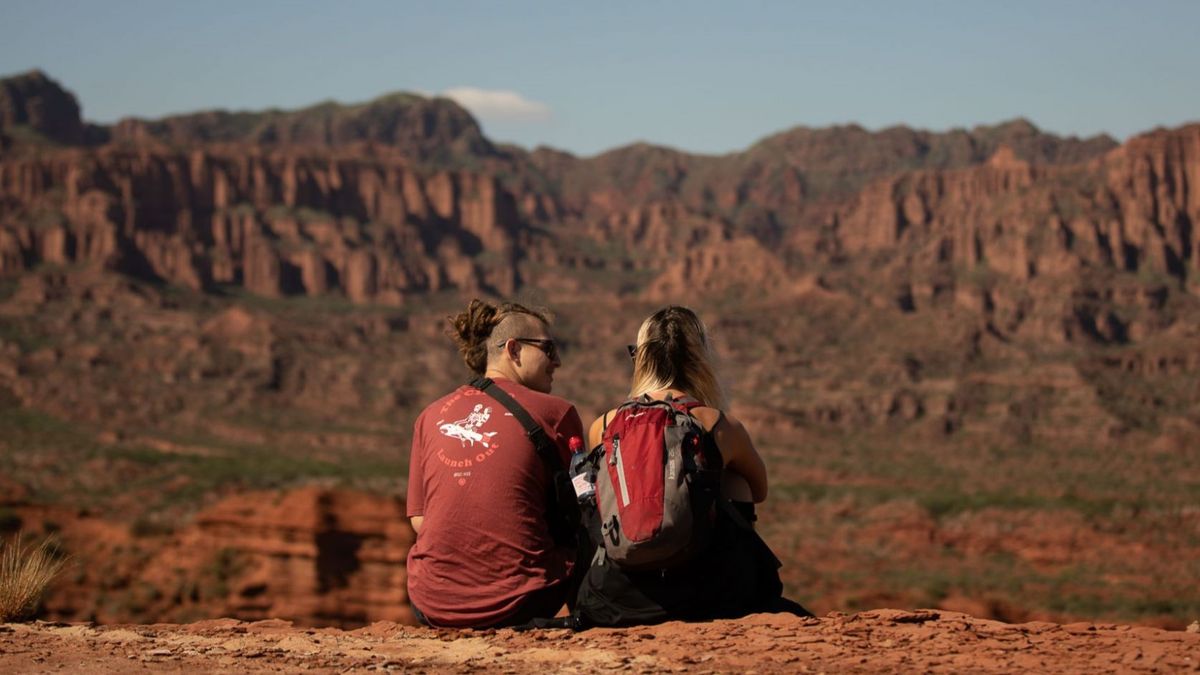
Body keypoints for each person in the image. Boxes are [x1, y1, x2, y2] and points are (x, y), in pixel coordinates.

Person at [576, 305, 809, 624]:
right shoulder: (718, 425)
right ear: (700, 360)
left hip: (619, 597)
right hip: (708, 596)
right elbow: (759, 489)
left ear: (640, 360)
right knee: (735, 481)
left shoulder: (604, 425)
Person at [406, 298, 584, 628]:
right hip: (523, 601)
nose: (557, 361)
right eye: (548, 348)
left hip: (430, 603)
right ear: (513, 350)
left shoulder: (429, 416)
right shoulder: (557, 413)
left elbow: (420, 520)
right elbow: (581, 511)